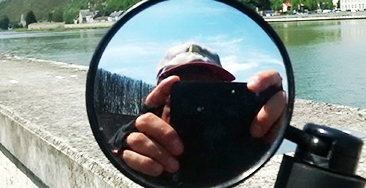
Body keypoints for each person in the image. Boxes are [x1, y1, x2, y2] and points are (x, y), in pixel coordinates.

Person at [110, 42, 286, 177]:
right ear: (157, 98)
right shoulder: (143, 145)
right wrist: (124, 144)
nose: (197, 107)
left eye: (207, 92)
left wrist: (265, 135)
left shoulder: (241, 142)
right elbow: (114, 146)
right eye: (182, 93)